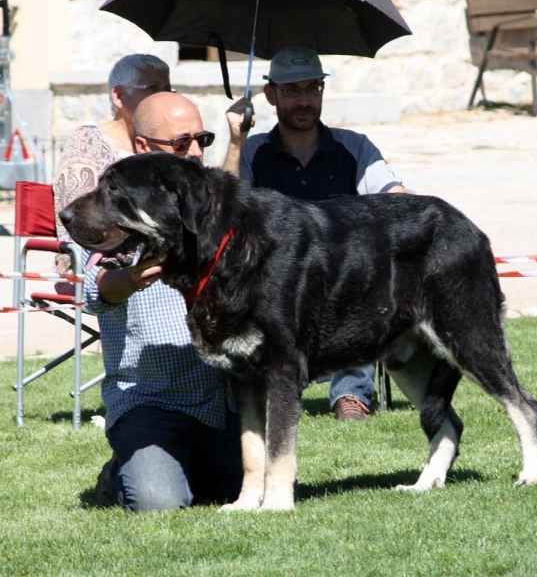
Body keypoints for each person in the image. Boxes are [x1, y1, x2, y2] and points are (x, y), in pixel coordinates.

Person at [52, 54, 251, 511]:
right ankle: (125, 469)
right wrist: (124, 280)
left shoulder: (190, 197)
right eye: (181, 144)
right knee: (160, 502)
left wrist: (236, 143)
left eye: (202, 139)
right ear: (144, 147)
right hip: (150, 399)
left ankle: (178, 463)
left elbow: (227, 217)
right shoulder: (114, 206)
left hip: (218, 397)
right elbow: (85, 277)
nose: (197, 153)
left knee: (234, 490)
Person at [240, 46, 409, 421]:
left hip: (342, 274)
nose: (304, 100)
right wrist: (236, 138)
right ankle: (270, 387)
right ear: (271, 95)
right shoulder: (252, 151)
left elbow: (397, 201)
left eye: (312, 88)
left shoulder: (354, 147)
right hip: (276, 280)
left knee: (359, 280)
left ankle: (351, 394)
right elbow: (229, 215)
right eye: (293, 90)